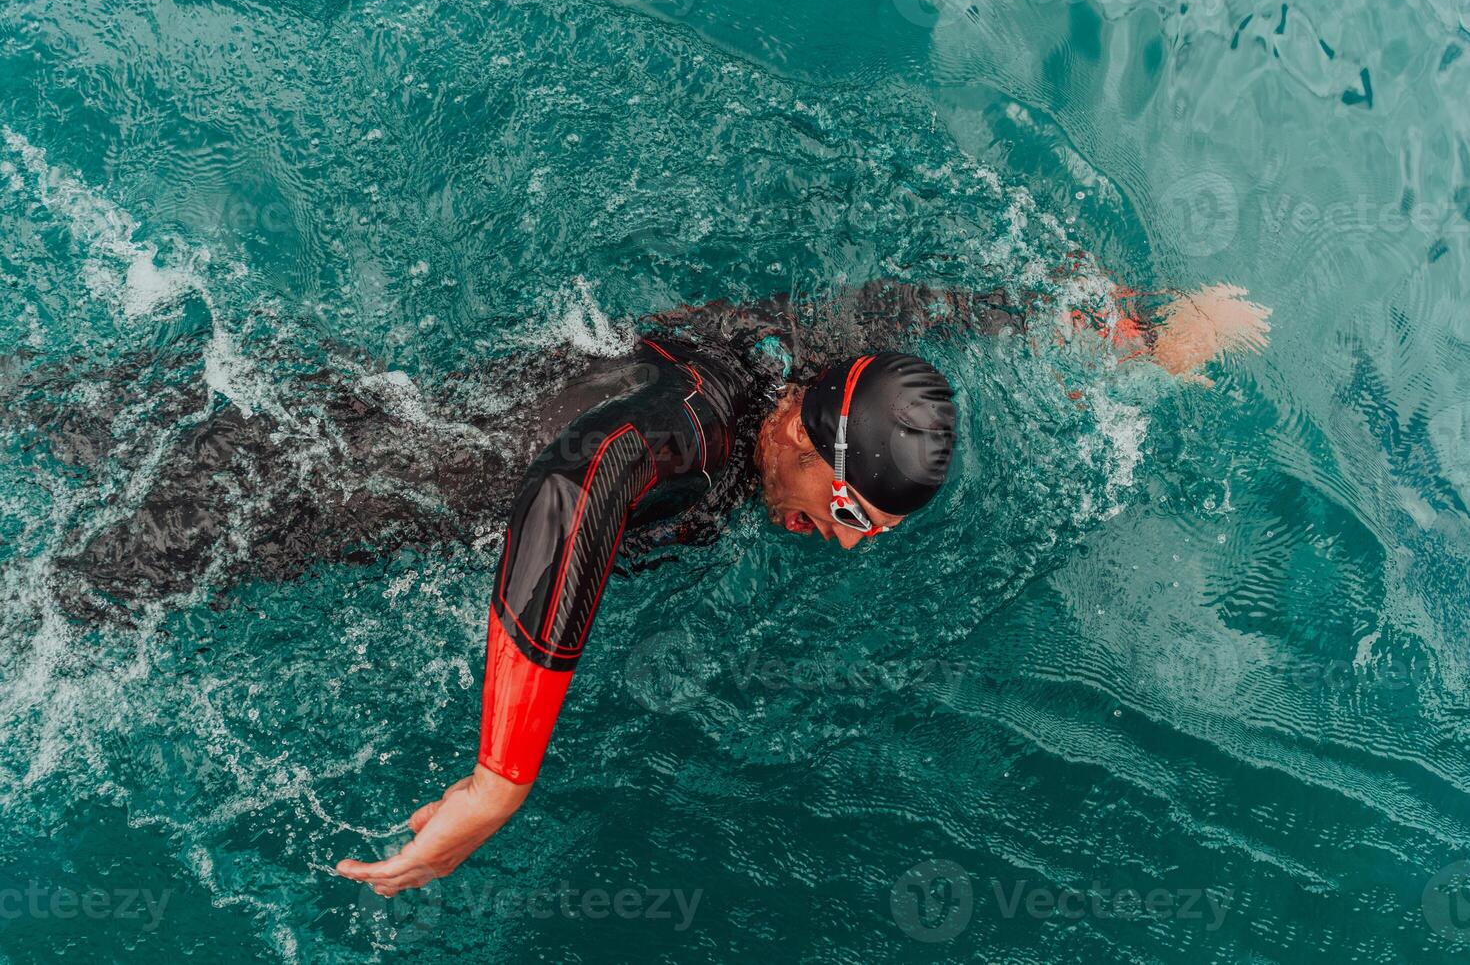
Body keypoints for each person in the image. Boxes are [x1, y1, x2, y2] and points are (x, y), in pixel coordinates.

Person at [330, 278, 1272, 897]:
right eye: (851, 514)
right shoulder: (695, 427)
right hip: (337, 489)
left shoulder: (810, 366)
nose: (848, 544)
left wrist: (1147, 337)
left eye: (870, 528)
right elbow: (577, 479)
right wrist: (503, 779)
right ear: (795, 441)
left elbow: (962, 299)